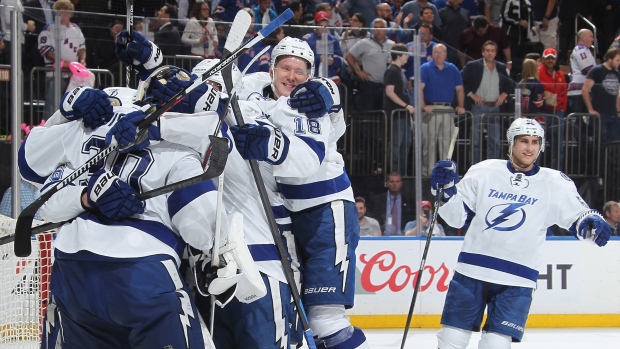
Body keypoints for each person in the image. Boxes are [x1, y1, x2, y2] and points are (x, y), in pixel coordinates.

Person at [18, 84, 234, 348]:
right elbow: (205, 230)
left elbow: (45, 201)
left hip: (71, 271)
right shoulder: (177, 147)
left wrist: (86, 197)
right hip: (143, 272)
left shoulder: (84, 134)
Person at [233, 37, 370, 348]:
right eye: (285, 67)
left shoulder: (311, 101)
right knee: (296, 314)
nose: (292, 76)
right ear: (271, 69)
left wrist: (331, 98)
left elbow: (317, 149)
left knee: (325, 318)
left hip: (326, 208)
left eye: (300, 70)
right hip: (286, 215)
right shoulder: (253, 89)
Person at [431, 117, 611, 348]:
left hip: (518, 278)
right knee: (451, 340)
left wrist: (593, 223)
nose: (530, 147)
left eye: (535, 142)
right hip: (472, 270)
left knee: (496, 344)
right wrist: (444, 191)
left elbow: (579, 218)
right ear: (511, 143)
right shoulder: (484, 170)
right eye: (524, 141)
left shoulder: (555, 182)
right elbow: (457, 217)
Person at [461, 40, 513, 164]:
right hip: (479, 107)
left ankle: (492, 167)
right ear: (483, 52)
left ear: (496, 53)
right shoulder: (473, 65)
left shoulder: (500, 67)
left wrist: (503, 95)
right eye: (487, 51)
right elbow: (460, 80)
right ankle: (475, 168)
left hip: (495, 108)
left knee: (495, 142)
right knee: (476, 141)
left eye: (493, 51)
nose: (490, 53)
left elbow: (509, 84)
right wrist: (471, 94)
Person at [420, 44, 464, 176]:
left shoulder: (452, 68)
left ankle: (445, 173)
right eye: (436, 52)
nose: (439, 55)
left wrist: (461, 105)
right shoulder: (425, 68)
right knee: (430, 144)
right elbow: (419, 88)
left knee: (447, 144)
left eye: (441, 52)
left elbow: (460, 89)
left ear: (446, 54)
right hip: (431, 109)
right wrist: (423, 105)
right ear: (432, 54)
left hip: (447, 109)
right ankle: (428, 174)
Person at [38, 0, 86, 119]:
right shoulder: (49, 28)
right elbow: (46, 50)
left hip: (73, 75)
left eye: (66, 13)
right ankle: (48, 131)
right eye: (60, 13)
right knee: (52, 105)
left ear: (71, 14)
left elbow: (82, 47)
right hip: (54, 74)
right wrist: (64, 63)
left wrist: (82, 60)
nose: (63, 15)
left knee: (73, 104)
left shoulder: (76, 29)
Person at [345, 18, 394, 111]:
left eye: (381, 27)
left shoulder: (392, 45)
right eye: (376, 28)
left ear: (386, 29)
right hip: (369, 85)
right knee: (368, 116)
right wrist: (358, 71)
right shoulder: (364, 43)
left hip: (386, 86)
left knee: (383, 117)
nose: (379, 30)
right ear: (372, 29)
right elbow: (349, 56)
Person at [582, 48, 620, 154]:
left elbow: (616, 93)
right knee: (601, 143)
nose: (619, 63)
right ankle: (599, 169)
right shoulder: (597, 70)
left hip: (613, 113)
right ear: (609, 59)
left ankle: (612, 169)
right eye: (617, 60)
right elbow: (585, 90)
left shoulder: (617, 73)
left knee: (615, 143)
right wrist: (590, 109)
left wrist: (618, 111)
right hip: (600, 113)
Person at [384, 44, 414, 174]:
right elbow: (389, 92)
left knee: (405, 143)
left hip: (403, 114)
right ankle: (395, 172)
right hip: (397, 114)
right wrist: (405, 106)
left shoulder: (399, 71)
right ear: (399, 55)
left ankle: (402, 172)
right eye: (406, 54)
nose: (407, 57)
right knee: (396, 145)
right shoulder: (392, 70)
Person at [537, 47, 567, 171]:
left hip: (558, 111)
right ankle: (535, 169)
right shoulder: (538, 71)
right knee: (538, 142)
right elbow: (538, 89)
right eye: (548, 58)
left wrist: (562, 109)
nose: (550, 60)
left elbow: (564, 93)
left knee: (558, 144)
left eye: (552, 58)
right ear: (543, 59)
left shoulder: (560, 74)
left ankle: (556, 171)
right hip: (543, 111)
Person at [302, 11, 343, 81]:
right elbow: (303, 60)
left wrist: (333, 62)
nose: (323, 29)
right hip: (312, 75)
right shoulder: (307, 39)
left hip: (330, 75)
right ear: (315, 24)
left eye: (325, 26)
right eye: (321, 26)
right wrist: (319, 59)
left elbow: (340, 59)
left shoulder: (333, 39)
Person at [500, 0, 534, 77]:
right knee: (511, 60)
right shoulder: (509, 1)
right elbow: (505, 16)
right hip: (511, 37)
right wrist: (518, 22)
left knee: (522, 61)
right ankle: (509, 78)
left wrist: (532, 26)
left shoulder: (527, 2)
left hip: (524, 38)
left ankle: (521, 78)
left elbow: (530, 17)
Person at [567, 29, 595, 115]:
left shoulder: (585, 50)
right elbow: (587, 70)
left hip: (582, 91)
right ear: (583, 38)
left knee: (584, 122)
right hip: (578, 92)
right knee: (578, 121)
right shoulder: (580, 50)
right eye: (590, 36)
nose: (592, 39)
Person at [438, 0, 470, 69]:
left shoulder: (465, 13)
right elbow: (438, 32)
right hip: (448, 49)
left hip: (463, 51)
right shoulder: (441, 13)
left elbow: (469, 31)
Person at [91, 20, 123, 85]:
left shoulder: (124, 40)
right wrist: (115, 43)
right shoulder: (103, 40)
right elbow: (106, 55)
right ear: (111, 28)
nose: (119, 30)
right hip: (107, 65)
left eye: (121, 29)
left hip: (120, 66)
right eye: (117, 28)